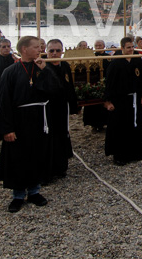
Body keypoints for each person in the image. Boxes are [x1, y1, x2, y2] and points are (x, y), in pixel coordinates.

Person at [0, 36, 60, 213]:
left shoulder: (42, 67)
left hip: (39, 119)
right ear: (24, 49)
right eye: (36, 47)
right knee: (18, 158)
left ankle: (35, 191)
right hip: (19, 121)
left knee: (38, 154)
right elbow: (4, 101)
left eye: (40, 47)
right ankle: (18, 195)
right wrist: (7, 128)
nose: (40, 50)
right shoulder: (10, 72)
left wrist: (45, 70)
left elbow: (54, 90)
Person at [102, 37, 142, 165]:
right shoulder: (115, 63)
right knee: (120, 127)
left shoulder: (137, 60)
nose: (131, 49)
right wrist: (108, 101)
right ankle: (119, 155)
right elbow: (109, 83)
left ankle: (137, 152)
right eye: (128, 47)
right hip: (120, 100)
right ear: (122, 48)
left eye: (132, 47)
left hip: (134, 99)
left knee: (136, 125)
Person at [45, 39, 79, 179]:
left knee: (62, 135)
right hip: (48, 108)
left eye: (58, 50)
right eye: (51, 51)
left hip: (62, 106)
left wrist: (74, 105)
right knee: (49, 138)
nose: (54, 53)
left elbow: (69, 85)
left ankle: (61, 167)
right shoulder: (43, 67)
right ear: (46, 51)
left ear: (62, 51)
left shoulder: (64, 65)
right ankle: (49, 170)